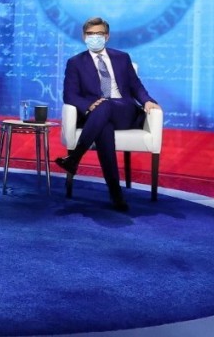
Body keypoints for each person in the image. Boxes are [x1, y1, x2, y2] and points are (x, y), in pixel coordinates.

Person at [54, 17, 160, 211]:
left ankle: (75, 158)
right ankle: (116, 194)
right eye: (90, 34)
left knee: (106, 105)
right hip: (97, 115)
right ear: (84, 36)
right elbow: (70, 95)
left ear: (107, 36)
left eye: (99, 34)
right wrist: (89, 106)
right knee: (104, 127)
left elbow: (136, 86)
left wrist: (147, 100)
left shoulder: (122, 58)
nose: (94, 37)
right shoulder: (75, 63)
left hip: (124, 110)